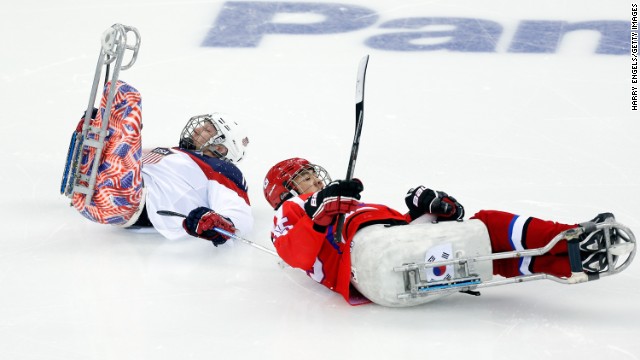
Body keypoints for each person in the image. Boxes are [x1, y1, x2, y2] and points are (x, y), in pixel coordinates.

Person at [263, 157, 625, 305]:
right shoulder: (290, 211)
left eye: (313, 175)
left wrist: (432, 209)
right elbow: (297, 252)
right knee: (495, 224)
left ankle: (572, 258)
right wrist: (321, 211)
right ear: (286, 191)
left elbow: (400, 232)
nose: (313, 181)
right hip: (365, 260)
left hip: (387, 262)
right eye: (303, 179)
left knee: (481, 238)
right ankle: (572, 236)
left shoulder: (347, 206)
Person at [65, 80, 252, 245]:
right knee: (107, 113)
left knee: (127, 97)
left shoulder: (221, 169)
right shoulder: (174, 153)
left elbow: (241, 213)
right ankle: (91, 149)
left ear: (221, 149)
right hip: (89, 199)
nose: (198, 129)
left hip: (125, 201)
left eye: (208, 130)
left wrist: (221, 223)